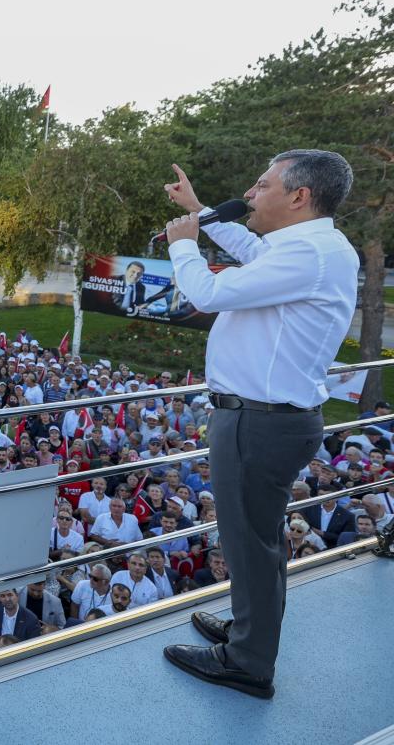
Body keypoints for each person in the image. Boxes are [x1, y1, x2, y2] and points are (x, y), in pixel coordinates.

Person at [161, 151, 357, 698]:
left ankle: (247, 661)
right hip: (266, 418)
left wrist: (184, 241)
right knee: (257, 540)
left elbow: (208, 292)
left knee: (247, 542)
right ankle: (250, 632)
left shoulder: (311, 254)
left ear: (299, 196)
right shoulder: (307, 247)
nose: (250, 191)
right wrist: (201, 211)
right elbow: (252, 249)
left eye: (262, 183)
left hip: (259, 422)